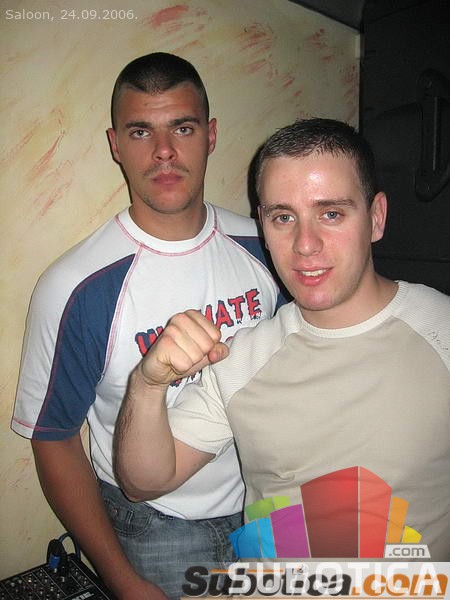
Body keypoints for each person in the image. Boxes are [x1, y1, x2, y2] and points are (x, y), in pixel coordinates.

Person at [113, 118, 450, 561]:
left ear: (376, 217)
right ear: (263, 227)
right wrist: (147, 383)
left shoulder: (441, 331)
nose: (305, 244)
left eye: (331, 213)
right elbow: (143, 484)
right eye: (283, 217)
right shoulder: (241, 359)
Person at [11, 52, 284, 599]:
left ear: (210, 135)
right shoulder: (76, 287)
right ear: (116, 144)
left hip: (269, 501)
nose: (163, 151)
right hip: (156, 526)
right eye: (141, 132)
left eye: (182, 128)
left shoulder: (268, 246)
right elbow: (54, 440)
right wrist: (121, 578)